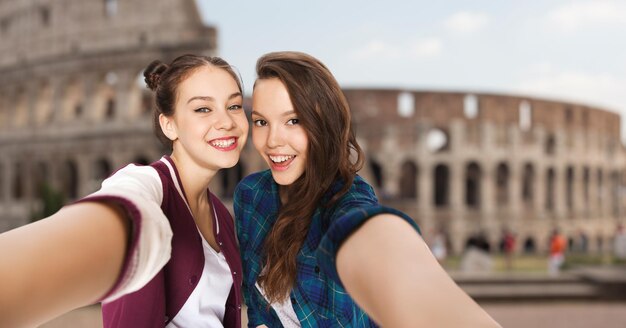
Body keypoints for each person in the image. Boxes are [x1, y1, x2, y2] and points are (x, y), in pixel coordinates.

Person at [234, 51, 501, 327]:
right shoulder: (251, 195)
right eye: (261, 122)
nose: (272, 141)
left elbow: (370, 234)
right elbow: (257, 309)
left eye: (293, 120)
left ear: (323, 124)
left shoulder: (346, 201)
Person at [0, 54, 248, 327]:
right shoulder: (144, 185)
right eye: (203, 109)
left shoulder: (221, 216)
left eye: (234, 105)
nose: (227, 121)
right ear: (169, 124)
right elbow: (123, 214)